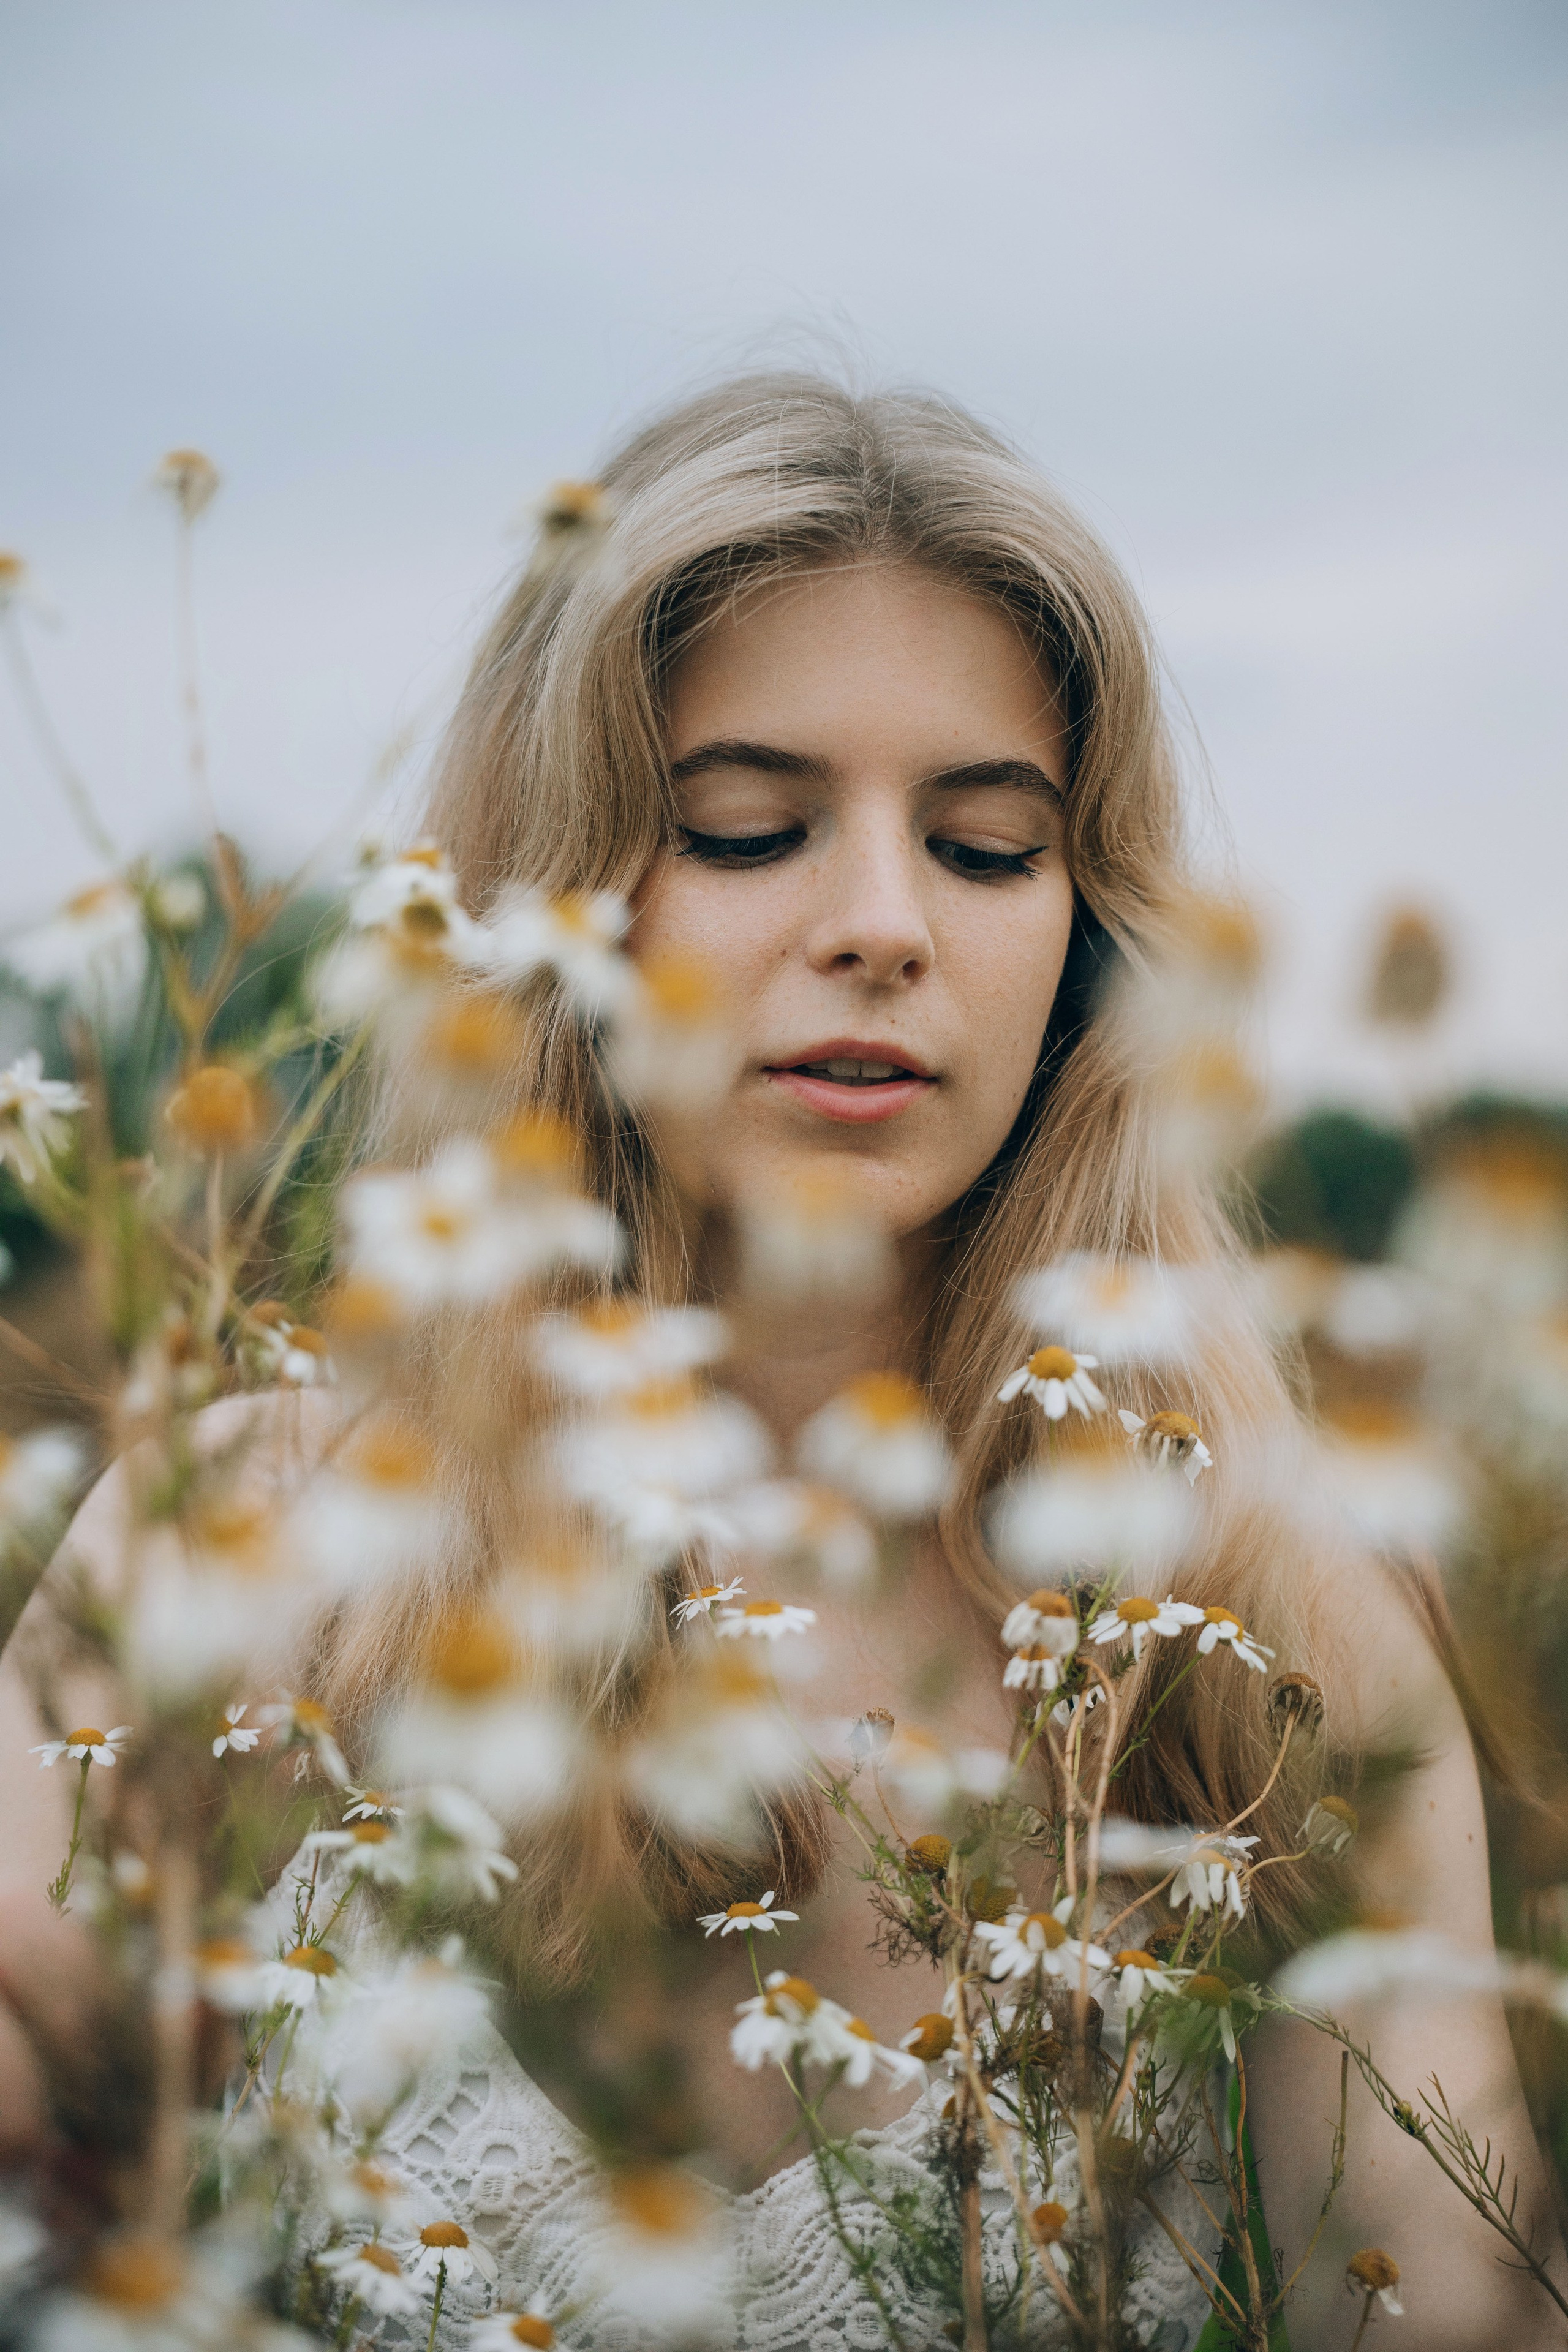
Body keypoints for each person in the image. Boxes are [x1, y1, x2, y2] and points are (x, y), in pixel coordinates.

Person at [0, 373, 1558, 2348]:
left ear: (1090, 943)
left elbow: (1439, 2315)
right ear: (557, 901)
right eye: (749, 827)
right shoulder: (235, 1538)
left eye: (991, 850)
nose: (885, 925)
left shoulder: (1255, 1611)